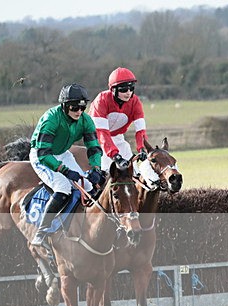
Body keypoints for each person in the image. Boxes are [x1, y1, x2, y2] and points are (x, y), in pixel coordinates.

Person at [29, 83, 104, 247]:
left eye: (82, 107)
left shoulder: (85, 120)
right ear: (64, 105)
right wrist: (65, 171)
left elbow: (94, 148)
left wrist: (96, 168)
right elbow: (43, 153)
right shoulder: (51, 119)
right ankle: (41, 231)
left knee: (89, 186)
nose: (79, 111)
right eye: (74, 107)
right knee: (63, 186)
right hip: (42, 155)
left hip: (63, 153)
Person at [89, 67, 149, 173]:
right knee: (107, 170)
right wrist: (115, 156)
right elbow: (101, 133)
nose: (128, 93)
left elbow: (140, 130)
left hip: (117, 137)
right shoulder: (101, 100)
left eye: (131, 89)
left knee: (133, 169)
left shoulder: (135, 102)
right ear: (113, 89)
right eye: (124, 90)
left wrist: (142, 148)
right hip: (95, 139)